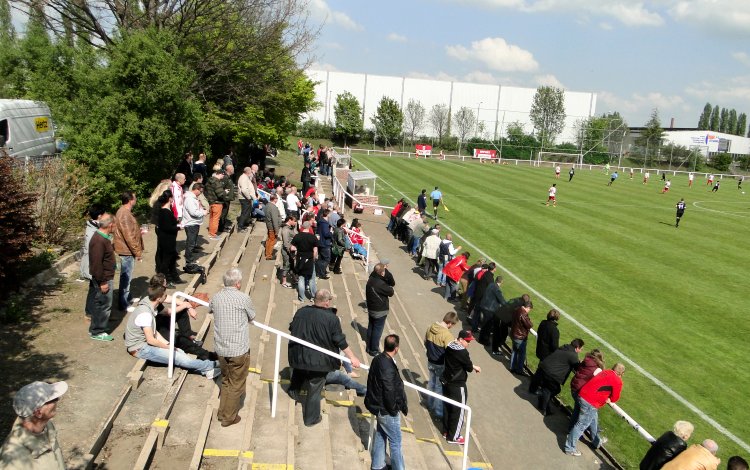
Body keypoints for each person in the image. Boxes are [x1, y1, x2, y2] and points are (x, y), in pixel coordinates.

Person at [288, 290, 361, 426]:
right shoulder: (331, 319)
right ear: (327, 302)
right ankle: (311, 418)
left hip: (298, 355)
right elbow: (340, 341)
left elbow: (292, 327)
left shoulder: (301, 312)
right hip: (319, 361)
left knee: (299, 372)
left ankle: (293, 392)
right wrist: (353, 357)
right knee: (315, 388)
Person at [124, 281, 219, 378]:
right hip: (140, 348)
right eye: (165, 296)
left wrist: (168, 345)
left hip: (144, 344)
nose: (167, 297)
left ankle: (208, 372)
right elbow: (151, 340)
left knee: (180, 352)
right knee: (177, 357)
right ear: (159, 298)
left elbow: (154, 332)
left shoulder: (149, 302)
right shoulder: (145, 314)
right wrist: (169, 348)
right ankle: (211, 365)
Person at [210, 268, 257, 427]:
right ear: (238, 284)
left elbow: (210, 308)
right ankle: (228, 417)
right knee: (236, 384)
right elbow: (252, 316)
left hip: (221, 348)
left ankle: (222, 412)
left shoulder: (216, 297)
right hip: (238, 349)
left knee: (226, 380)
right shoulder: (243, 298)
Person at [0, 381, 68, 468]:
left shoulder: (47, 426)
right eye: (54, 399)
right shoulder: (11, 458)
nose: (58, 400)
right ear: (38, 413)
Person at [365, 334, 408, 470]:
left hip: (378, 406)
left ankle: (378, 465)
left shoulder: (377, 359)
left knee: (381, 434)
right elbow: (389, 390)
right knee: (395, 443)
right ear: (396, 348)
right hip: (387, 410)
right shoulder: (388, 365)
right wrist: (394, 409)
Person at [565, 363, 625, 456]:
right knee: (581, 425)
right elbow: (614, 398)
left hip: (582, 395)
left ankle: (596, 442)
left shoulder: (605, 371)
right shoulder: (617, 380)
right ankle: (569, 448)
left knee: (592, 420)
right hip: (591, 402)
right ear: (622, 373)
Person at [442, 330, 481, 445]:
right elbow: (468, 367)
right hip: (458, 385)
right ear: (460, 340)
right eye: (467, 341)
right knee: (459, 410)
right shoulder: (463, 352)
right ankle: (454, 437)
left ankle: (446, 431)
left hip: (447, 380)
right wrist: (474, 367)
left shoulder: (449, 346)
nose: (469, 343)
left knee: (447, 407)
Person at [529, 339, 583, 416]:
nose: (580, 351)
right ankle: (544, 408)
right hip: (551, 374)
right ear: (577, 347)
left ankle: (542, 402)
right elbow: (578, 368)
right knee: (552, 390)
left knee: (549, 389)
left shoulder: (564, 347)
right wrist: (580, 363)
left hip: (543, 369)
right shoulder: (573, 355)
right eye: (580, 349)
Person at [424, 312, 459, 419]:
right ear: (449, 323)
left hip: (430, 361)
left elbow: (425, 342)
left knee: (431, 383)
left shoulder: (430, 327)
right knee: (439, 388)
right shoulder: (447, 335)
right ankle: (438, 412)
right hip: (440, 364)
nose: (452, 327)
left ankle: (429, 404)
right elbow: (451, 352)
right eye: (452, 325)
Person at [112, 191, 143, 311]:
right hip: (126, 250)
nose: (136, 200)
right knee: (126, 277)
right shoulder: (124, 214)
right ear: (130, 200)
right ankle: (123, 303)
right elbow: (128, 236)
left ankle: (127, 297)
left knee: (128, 276)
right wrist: (137, 252)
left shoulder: (124, 212)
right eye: (135, 198)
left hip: (127, 248)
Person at [88, 212, 116, 341]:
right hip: (103, 278)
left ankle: (96, 328)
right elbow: (96, 264)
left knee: (100, 303)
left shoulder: (103, 238)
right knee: (103, 304)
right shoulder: (99, 241)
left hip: (105, 276)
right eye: (114, 224)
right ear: (110, 225)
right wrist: (103, 282)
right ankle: (98, 331)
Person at [365, 262, 395, 356]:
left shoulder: (371, 279)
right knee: (377, 330)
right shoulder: (380, 284)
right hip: (380, 310)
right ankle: (373, 350)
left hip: (371, 308)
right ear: (382, 272)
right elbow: (391, 291)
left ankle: (368, 346)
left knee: (371, 327)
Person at [569, 349, 604, 427]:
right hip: (580, 392)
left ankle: (570, 428)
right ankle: (594, 436)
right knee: (588, 416)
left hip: (574, 387)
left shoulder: (584, 361)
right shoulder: (598, 369)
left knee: (577, 410)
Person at [155, 191, 182, 286]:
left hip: (169, 239)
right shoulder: (165, 212)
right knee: (166, 261)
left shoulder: (166, 210)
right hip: (167, 240)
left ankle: (174, 277)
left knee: (172, 259)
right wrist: (179, 227)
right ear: (170, 199)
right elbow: (167, 227)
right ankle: (163, 281)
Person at [291, 221, 318, 302]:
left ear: (302, 227)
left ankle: (302, 298)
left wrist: (298, 250)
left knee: (301, 279)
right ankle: (313, 297)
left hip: (300, 260)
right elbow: (315, 250)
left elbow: (292, 248)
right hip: (309, 260)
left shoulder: (297, 236)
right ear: (309, 227)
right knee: (311, 279)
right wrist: (313, 259)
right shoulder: (313, 237)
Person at [181, 183, 206, 270]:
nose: (201, 193)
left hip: (194, 222)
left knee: (192, 242)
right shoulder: (190, 199)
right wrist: (203, 213)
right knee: (191, 243)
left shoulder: (192, 198)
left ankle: (190, 259)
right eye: (200, 191)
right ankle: (189, 261)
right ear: (197, 189)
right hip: (191, 223)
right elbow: (193, 212)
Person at [510, 296, 534, 374]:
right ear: (527, 307)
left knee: (514, 352)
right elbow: (529, 325)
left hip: (514, 334)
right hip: (520, 337)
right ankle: (519, 370)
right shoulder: (523, 313)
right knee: (521, 355)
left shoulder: (517, 309)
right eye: (529, 309)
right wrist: (530, 321)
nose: (529, 311)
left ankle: (512, 367)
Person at [205, 166, 227, 239]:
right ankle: (213, 234)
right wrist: (225, 192)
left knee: (211, 218)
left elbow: (206, 191)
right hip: (217, 203)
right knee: (216, 219)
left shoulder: (209, 181)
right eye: (223, 175)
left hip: (211, 202)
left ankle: (210, 232)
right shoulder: (217, 182)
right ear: (220, 174)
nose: (223, 176)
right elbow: (220, 194)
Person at [237, 166, 258, 232]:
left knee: (246, 211)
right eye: (250, 172)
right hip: (244, 198)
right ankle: (240, 227)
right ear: (248, 172)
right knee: (245, 212)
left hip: (245, 197)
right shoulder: (244, 178)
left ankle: (243, 224)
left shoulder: (245, 177)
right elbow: (244, 190)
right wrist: (249, 197)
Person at [264, 193, 282, 261]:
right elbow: (275, 219)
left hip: (269, 225)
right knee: (271, 241)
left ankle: (267, 253)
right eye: (277, 198)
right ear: (275, 199)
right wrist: (276, 230)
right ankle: (269, 255)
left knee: (269, 240)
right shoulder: (273, 207)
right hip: (272, 227)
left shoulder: (267, 205)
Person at [315, 208, 333, 278]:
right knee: (326, 259)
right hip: (325, 243)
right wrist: (331, 233)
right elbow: (326, 234)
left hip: (321, 242)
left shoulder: (320, 222)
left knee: (321, 258)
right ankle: (321, 273)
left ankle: (319, 271)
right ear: (327, 214)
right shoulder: (325, 224)